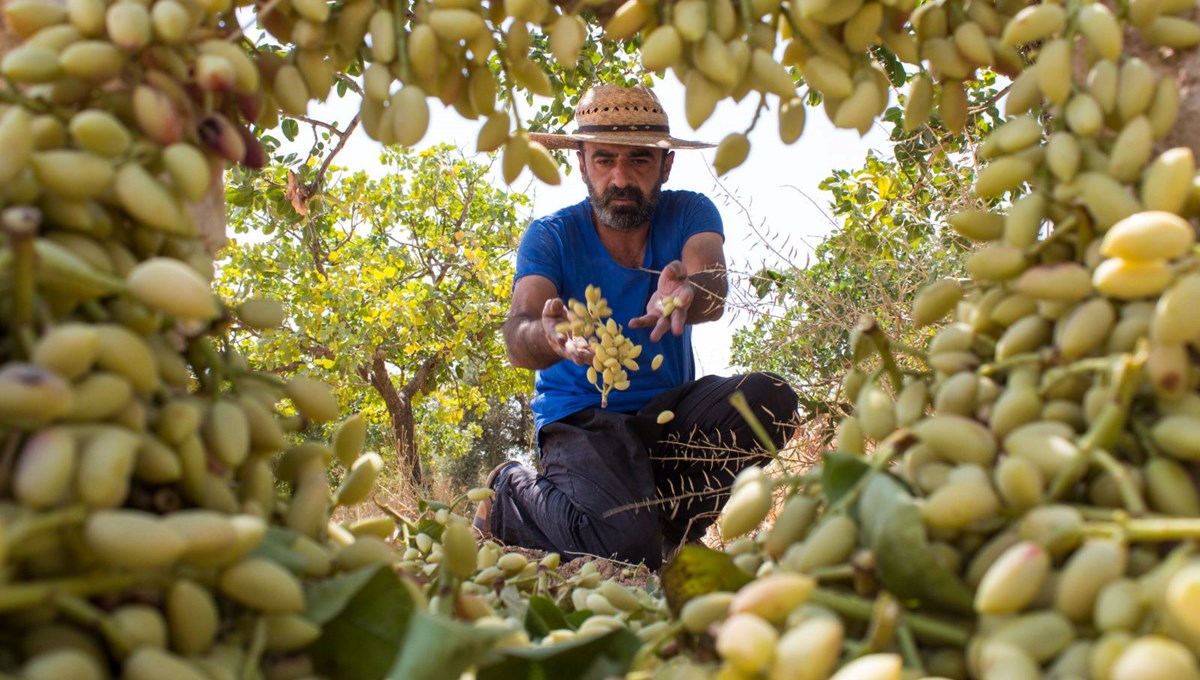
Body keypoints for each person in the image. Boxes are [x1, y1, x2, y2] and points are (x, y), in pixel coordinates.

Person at [473, 84, 798, 570]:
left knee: (771, 401)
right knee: (627, 548)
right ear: (582, 164)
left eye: (639, 161)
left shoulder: (689, 212)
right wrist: (547, 336)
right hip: (581, 420)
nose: (620, 177)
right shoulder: (551, 236)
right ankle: (508, 495)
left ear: (666, 166)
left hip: (664, 417)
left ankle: (671, 532)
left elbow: (712, 284)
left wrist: (689, 290)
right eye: (604, 160)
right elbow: (519, 332)